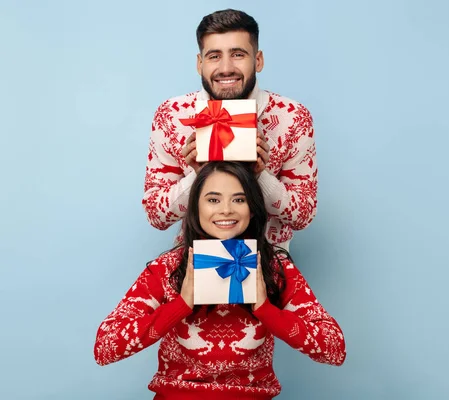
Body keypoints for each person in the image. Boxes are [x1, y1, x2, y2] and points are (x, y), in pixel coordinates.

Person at [96, 162, 345, 399]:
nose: (226, 209)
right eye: (213, 199)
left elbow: (334, 349)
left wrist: (265, 309)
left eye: (239, 199)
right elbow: (105, 348)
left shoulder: (274, 267)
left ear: (253, 208)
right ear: (196, 207)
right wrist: (180, 305)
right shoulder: (167, 268)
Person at [143, 9, 318, 251]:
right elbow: (156, 216)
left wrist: (260, 176)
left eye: (238, 54)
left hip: (270, 263)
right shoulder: (173, 115)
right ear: (199, 63)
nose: (226, 68)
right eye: (214, 56)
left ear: (258, 60)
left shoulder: (292, 117)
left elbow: (303, 216)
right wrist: (199, 175)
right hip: (194, 262)